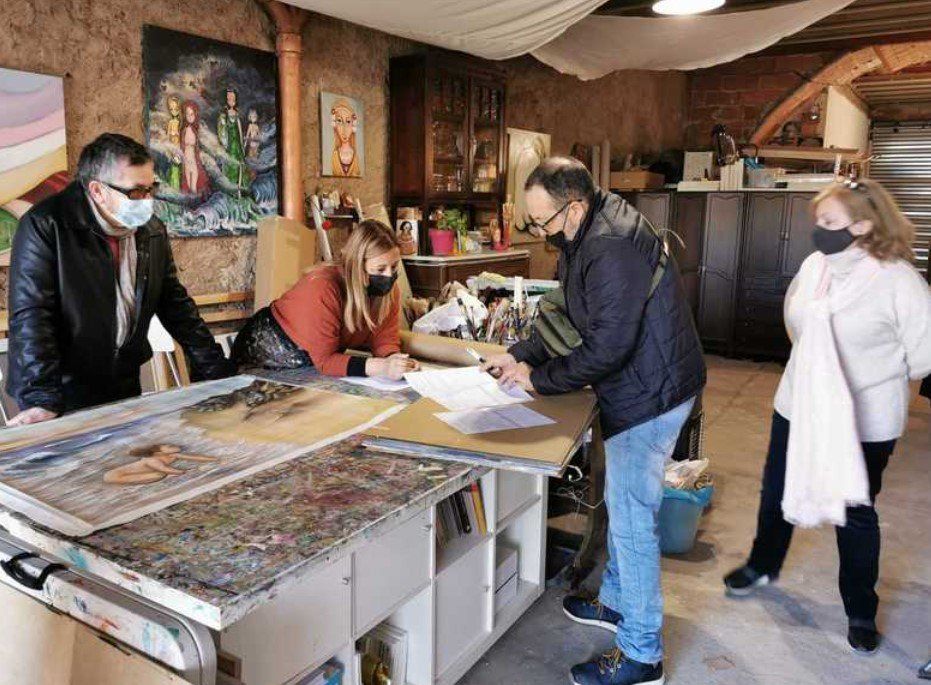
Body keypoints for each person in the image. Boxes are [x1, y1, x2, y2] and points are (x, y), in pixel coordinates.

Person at [482, 157, 706, 685]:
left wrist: (539, 381)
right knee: (626, 507)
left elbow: (607, 346)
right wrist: (521, 355)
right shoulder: (587, 230)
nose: (539, 232)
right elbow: (570, 307)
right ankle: (617, 604)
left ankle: (641, 654)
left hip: (651, 393)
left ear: (575, 207)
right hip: (646, 382)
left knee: (631, 522)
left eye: (542, 221)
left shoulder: (609, 245)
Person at [723, 179, 931, 655]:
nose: (819, 230)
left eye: (830, 221)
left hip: (864, 420)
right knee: (776, 490)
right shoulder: (815, 265)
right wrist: (818, 376)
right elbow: (794, 321)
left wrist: (865, 377)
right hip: (798, 404)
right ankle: (762, 564)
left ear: (864, 225)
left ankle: (860, 610)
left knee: (854, 511)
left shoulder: (899, 281)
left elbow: (923, 357)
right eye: (818, 220)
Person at [6, 133, 233, 426]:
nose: (147, 200)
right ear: (97, 190)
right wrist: (42, 398)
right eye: (136, 192)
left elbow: (175, 304)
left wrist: (218, 373)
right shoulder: (46, 225)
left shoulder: (150, 230)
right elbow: (33, 316)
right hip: (61, 390)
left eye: (151, 189)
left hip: (122, 381)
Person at [232, 219, 418, 380]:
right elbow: (326, 361)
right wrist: (382, 367)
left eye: (394, 267)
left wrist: (396, 361)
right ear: (357, 267)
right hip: (267, 349)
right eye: (380, 269)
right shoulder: (322, 287)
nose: (389, 275)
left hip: (314, 359)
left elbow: (384, 341)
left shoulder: (388, 292)